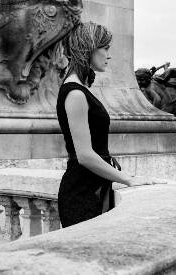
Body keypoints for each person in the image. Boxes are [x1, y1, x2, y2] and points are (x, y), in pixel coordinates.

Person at [57, 22, 158, 227]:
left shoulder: (78, 90)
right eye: (105, 48)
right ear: (89, 48)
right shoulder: (75, 93)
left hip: (92, 189)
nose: (108, 55)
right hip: (82, 194)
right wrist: (128, 179)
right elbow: (84, 156)